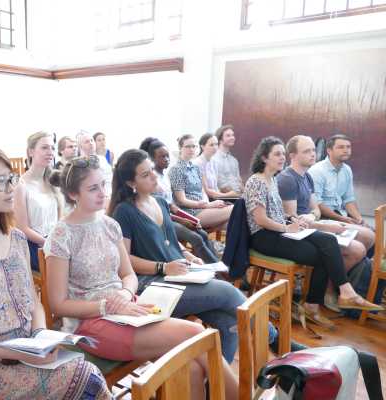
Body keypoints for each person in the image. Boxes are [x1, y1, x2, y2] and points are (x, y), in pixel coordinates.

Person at [45, 155, 238, 400]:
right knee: (196, 334)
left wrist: (125, 294)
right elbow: (58, 304)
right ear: (73, 194)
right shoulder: (62, 234)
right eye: (93, 188)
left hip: (127, 308)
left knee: (189, 367)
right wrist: (105, 305)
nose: (102, 193)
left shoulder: (109, 225)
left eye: (103, 185)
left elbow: (128, 275)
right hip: (88, 324)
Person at [0, 145, 112, 400]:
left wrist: (39, 338)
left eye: (11, 179)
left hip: (26, 351)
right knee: (84, 376)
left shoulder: (16, 239)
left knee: (82, 374)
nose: (11, 188)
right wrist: (15, 353)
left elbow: (34, 303)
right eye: (0, 182)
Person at [109, 149, 261, 363]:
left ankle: (215, 389)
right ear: (130, 183)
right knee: (227, 291)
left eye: (152, 169)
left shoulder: (159, 202)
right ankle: (273, 337)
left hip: (179, 275)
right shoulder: (124, 212)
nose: (154, 175)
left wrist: (189, 255)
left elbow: (170, 240)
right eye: (145, 174)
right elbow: (124, 261)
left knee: (229, 324)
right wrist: (163, 267)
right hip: (153, 284)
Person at [243, 136, 382, 328]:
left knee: (328, 245)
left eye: (283, 153)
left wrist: (294, 220)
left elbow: (277, 213)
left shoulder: (272, 179)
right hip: (264, 237)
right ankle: (335, 296)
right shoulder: (256, 181)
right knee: (327, 249)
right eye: (277, 154)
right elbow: (260, 220)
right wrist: (287, 226)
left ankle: (321, 301)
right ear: (264, 158)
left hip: (281, 229)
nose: (282, 157)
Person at [277, 135, 367, 271]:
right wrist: (326, 226)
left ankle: (347, 282)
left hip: (310, 224)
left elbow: (316, 210)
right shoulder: (287, 179)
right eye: (307, 151)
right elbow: (291, 220)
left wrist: (312, 216)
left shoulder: (307, 176)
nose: (313, 154)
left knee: (368, 236)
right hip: (298, 232)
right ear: (292, 155)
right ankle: (330, 288)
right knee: (357, 249)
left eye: (313, 150)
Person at [139, 137, 218, 263]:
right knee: (195, 238)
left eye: (167, 156)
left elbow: (171, 205)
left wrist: (189, 218)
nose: (167, 159)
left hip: (172, 216)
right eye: (162, 157)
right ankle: (215, 269)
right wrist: (183, 220)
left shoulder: (164, 176)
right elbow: (160, 212)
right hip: (163, 221)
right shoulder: (153, 180)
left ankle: (216, 266)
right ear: (152, 159)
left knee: (202, 233)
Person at [307, 134, 375, 252]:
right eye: (341, 147)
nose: (346, 150)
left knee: (372, 233)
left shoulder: (347, 170)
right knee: (366, 236)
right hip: (321, 217)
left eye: (348, 147)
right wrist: (342, 219)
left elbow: (348, 199)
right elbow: (317, 204)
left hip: (339, 215)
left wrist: (359, 219)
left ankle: (358, 268)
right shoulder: (317, 171)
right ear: (329, 150)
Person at [14, 132, 62, 271]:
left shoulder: (52, 181)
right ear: (30, 152)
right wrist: (49, 243)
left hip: (54, 241)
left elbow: (59, 219)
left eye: (52, 148)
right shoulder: (21, 185)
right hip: (34, 246)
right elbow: (22, 228)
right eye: (44, 148)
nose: (50, 152)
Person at [169, 134, 232, 230]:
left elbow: (203, 191)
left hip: (203, 208)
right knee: (236, 209)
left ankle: (213, 237)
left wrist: (209, 205)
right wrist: (208, 205)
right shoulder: (176, 169)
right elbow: (182, 201)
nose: (191, 149)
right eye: (188, 146)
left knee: (232, 223)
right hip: (190, 212)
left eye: (194, 146)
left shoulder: (195, 168)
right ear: (180, 148)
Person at [193, 133, 239, 200]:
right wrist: (227, 195)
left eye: (216, 144)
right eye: (211, 145)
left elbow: (216, 187)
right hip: (204, 199)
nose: (215, 147)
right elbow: (206, 191)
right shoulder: (198, 163)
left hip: (216, 197)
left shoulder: (214, 162)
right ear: (202, 146)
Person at [78, 134, 112, 198]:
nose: (90, 143)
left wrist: (106, 194)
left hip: (106, 195)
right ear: (81, 146)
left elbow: (109, 179)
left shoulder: (102, 159)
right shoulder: (79, 163)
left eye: (91, 140)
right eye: (87, 142)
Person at [212, 125, 243, 194]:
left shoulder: (234, 160)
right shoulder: (214, 159)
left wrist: (244, 195)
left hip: (237, 197)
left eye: (232, 135)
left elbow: (239, 182)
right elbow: (221, 185)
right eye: (228, 136)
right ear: (220, 139)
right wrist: (237, 195)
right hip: (224, 198)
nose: (232, 138)